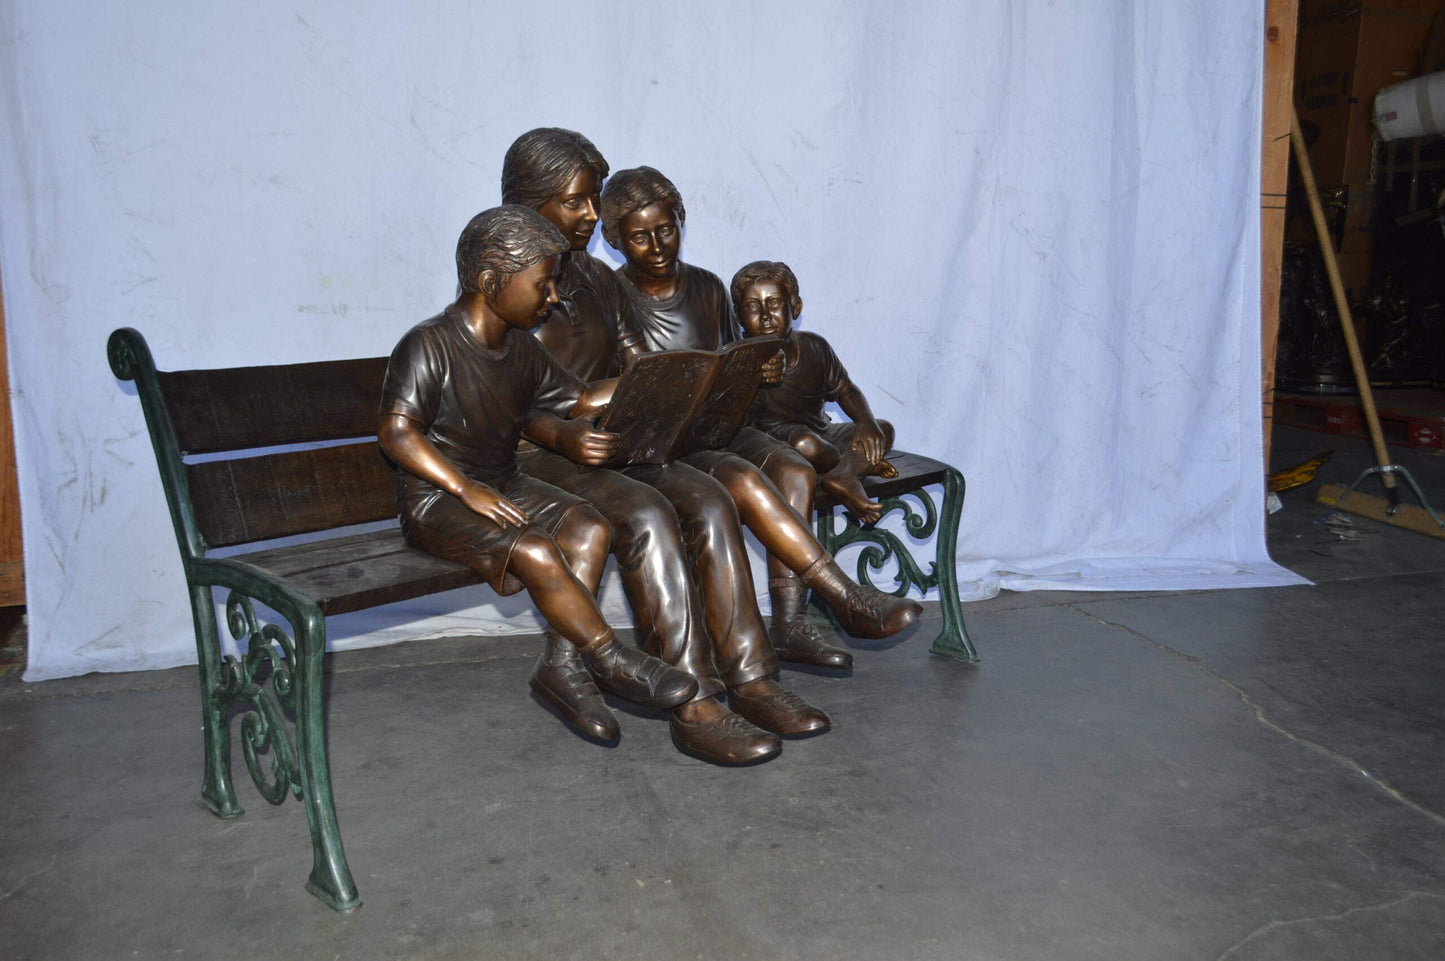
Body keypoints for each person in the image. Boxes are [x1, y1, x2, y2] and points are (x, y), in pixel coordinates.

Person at [377, 204, 698, 747]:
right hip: (437, 502)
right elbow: (396, 433)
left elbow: (572, 399)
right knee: (536, 550)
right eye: (544, 284)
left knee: (590, 529)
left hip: (501, 484)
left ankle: (562, 669)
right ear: (489, 282)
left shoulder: (522, 349)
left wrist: (666, 375)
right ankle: (609, 657)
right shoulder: (429, 345)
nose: (553, 297)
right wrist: (463, 487)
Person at [599, 165, 920, 668]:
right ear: (615, 239)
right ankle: (844, 597)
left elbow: (734, 362)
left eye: (667, 229)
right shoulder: (610, 296)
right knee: (745, 478)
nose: (658, 245)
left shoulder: (706, 287)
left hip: (715, 430)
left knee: (794, 468)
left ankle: (790, 624)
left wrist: (756, 371)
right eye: (639, 237)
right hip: (656, 445)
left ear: (681, 219)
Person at [730, 259, 897, 525]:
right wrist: (750, 376)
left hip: (824, 435)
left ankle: (843, 474)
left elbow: (846, 390)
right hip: (776, 443)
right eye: (752, 307)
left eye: (773, 303)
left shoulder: (814, 347)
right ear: (738, 317)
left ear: (794, 307)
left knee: (882, 429)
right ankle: (853, 467)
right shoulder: (738, 358)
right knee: (804, 445)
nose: (764, 316)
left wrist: (864, 420)